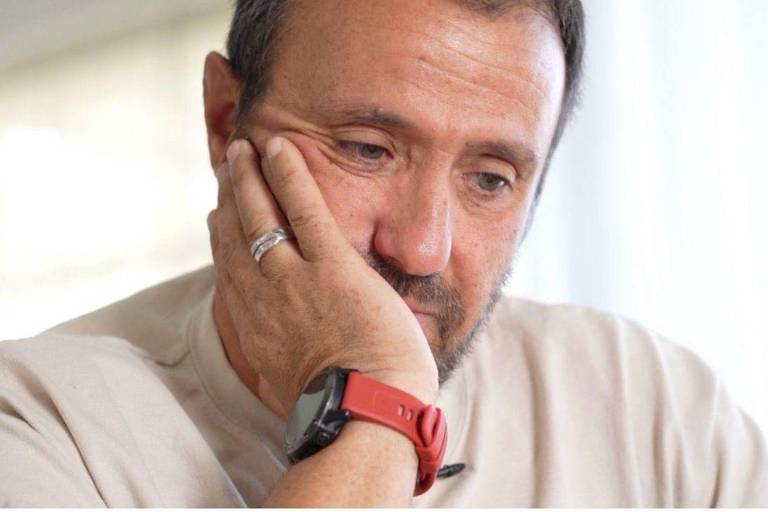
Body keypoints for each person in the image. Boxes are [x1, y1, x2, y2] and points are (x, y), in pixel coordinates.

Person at [1, 0, 766, 507]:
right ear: (223, 119)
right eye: (367, 149)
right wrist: (377, 403)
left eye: (491, 179)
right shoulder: (38, 424)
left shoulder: (652, 408)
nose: (423, 247)